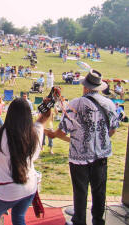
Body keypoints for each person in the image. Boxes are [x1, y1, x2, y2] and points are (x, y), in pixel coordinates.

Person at [46, 70, 119, 225]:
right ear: (99, 87)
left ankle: (79, 221)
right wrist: (99, 141)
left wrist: (48, 133)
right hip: (101, 156)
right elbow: (112, 130)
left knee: (80, 191)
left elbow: (61, 131)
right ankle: (98, 221)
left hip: (79, 158)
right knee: (99, 191)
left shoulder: (76, 104)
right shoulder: (110, 104)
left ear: (85, 87)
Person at [0, 98, 51, 225]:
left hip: (7, 191)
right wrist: (47, 105)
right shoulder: (35, 132)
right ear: (28, 115)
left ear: (9, 113)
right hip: (30, 187)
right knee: (18, 217)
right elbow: (44, 118)